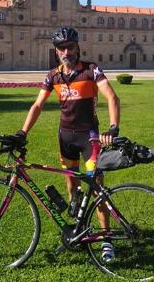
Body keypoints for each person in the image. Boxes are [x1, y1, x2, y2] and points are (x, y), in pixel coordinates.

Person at [15, 26, 120, 262]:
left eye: (70, 47)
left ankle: (106, 239)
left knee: (97, 190)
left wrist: (113, 128)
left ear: (77, 48)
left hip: (89, 138)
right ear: (56, 51)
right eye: (61, 48)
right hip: (65, 138)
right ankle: (80, 231)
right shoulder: (53, 76)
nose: (66, 52)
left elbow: (112, 97)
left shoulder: (91, 71)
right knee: (72, 189)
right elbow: (37, 105)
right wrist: (22, 132)